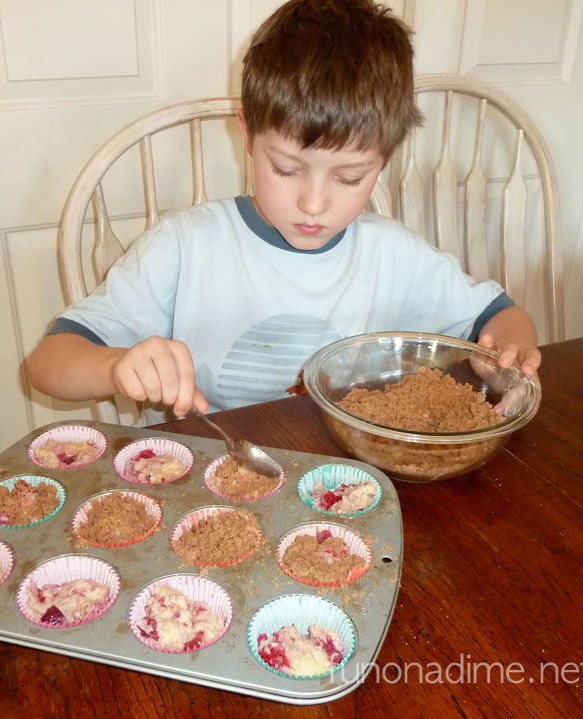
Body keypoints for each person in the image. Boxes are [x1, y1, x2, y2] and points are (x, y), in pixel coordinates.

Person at [27, 0, 541, 423]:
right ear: (248, 135)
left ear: (385, 159)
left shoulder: (394, 254)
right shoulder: (184, 247)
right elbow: (48, 364)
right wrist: (117, 366)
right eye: (287, 169)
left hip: (349, 480)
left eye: (349, 178)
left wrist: (506, 361)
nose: (313, 203)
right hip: (209, 478)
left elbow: (501, 317)